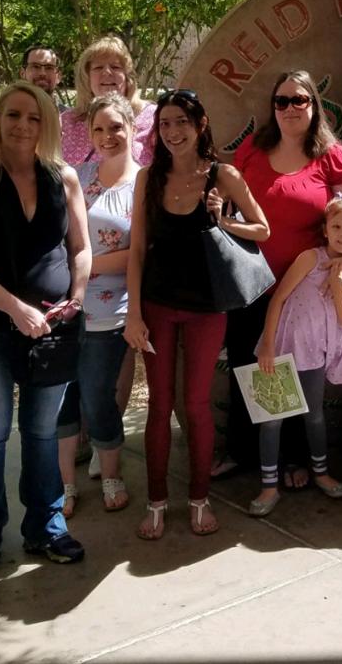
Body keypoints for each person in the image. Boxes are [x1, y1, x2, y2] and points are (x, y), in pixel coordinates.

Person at [0, 81, 91, 582]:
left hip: (52, 329)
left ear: (46, 123)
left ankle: (45, 526)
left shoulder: (64, 177)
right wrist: (13, 309)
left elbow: (80, 246)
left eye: (33, 117)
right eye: (12, 115)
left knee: (41, 431)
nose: (22, 125)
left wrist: (78, 291)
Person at [125, 89, 269, 539]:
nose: (172, 132)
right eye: (164, 124)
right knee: (160, 405)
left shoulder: (222, 175)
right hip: (158, 305)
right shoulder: (149, 177)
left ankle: (199, 499)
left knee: (197, 404)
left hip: (208, 308)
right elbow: (136, 252)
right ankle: (156, 501)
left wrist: (223, 220)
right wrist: (133, 314)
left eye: (181, 122)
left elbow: (262, 228)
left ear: (200, 124)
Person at [215, 69, 342, 488]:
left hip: (307, 289)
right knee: (251, 366)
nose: (289, 108)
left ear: (313, 105)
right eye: (281, 101)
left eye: (299, 100)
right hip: (253, 282)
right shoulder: (253, 147)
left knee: (302, 376)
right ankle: (246, 454)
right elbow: (227, 193)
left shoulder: (330, 154)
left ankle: (295, 459)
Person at [251, 195, 342, 516]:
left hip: (315, 355)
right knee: (272, 421)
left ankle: (322, 473)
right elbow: (278, 300)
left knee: (313, 415)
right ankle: (269, 486)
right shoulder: (308, 259)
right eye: (337, 226)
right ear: (326, 230)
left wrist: (338, 282)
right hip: (282, 350)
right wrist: (268, 346)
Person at [56, 93, 138, 515]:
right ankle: (65, 485)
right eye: (99, 129)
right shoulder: (75, 175)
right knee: (63, 397)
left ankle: (111, 474)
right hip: (64, 310)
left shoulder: (143, 184)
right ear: (89, 133)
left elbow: (141, 253)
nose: (107, 136)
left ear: (131, 127)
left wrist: (83, 267)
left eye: (116, 127)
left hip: (111, 312)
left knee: (97, 397)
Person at [61, 35, 156, 167]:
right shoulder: (68, 121)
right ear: (87, 78)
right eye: (98, 68)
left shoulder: (152, 118)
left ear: (127, 76)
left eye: (115, 67)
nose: (107, 72)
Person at [20, 46, 67, 112]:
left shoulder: (73, 120)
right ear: (22, 73)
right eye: (35, 66)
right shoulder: (5, 117)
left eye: (49, 68)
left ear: (58, 76)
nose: (42, 73)